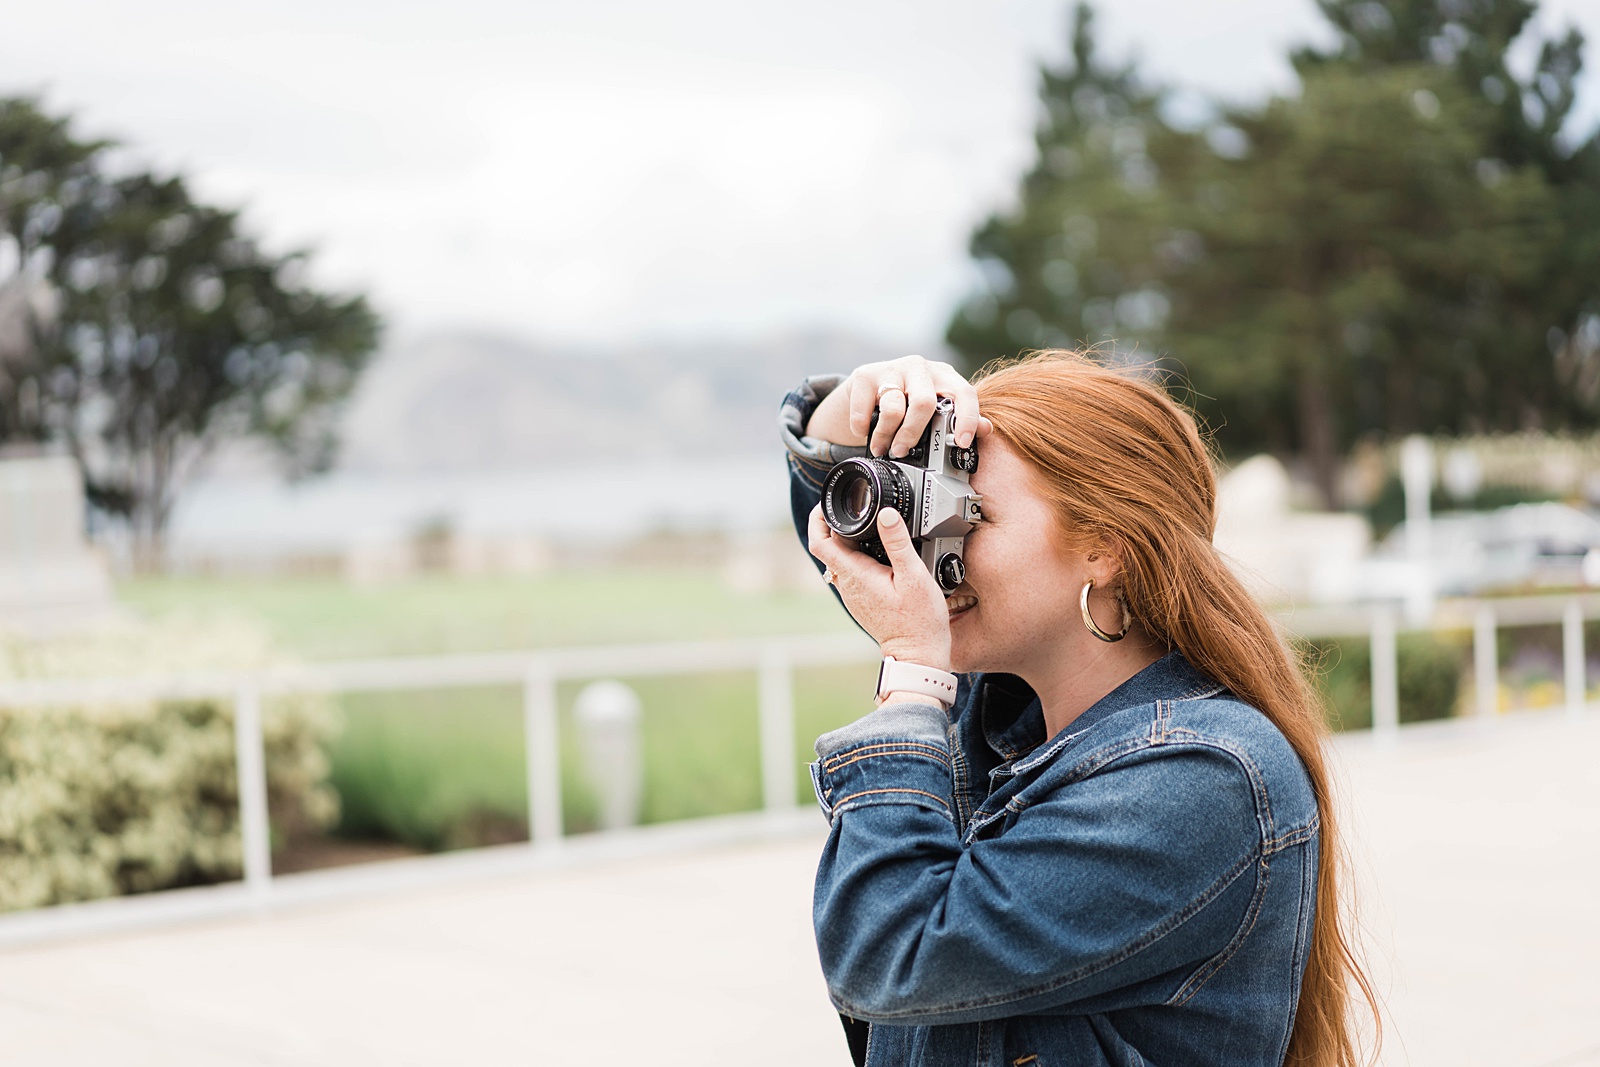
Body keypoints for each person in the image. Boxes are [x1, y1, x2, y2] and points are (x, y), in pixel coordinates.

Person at [779, 352, 1377, 1067]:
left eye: (970, 512)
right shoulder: (1004, 720)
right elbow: (853, 543)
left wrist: (911, 669)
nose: (936, 548)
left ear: (1105, 548)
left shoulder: (1205, 777)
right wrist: (851, 408)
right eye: (926, 504)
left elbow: (890, 948)